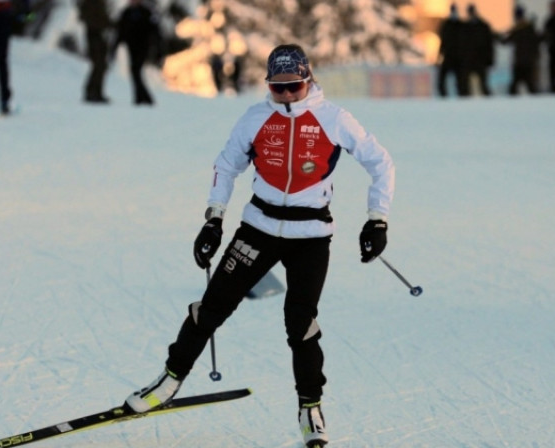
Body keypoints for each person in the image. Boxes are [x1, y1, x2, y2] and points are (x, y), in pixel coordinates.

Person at [122, 44, 395, 448]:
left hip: (311, 236)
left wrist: (377, 219)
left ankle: (310, 407)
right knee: (211, 307)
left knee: (300, 323)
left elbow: (381, 162)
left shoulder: (334, 119)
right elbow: (227, 164)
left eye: (294, 86)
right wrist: (213, 219)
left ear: (309, 80)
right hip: (258, 227)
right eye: (277, 87)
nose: (285, 95)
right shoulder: (255, 118)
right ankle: (168, 381)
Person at [112, 0, 161, 105]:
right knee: (134, 72)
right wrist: (115, 46)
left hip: (143, 46)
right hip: (131, 47)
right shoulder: (126, 13)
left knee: (136, 70)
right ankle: (141, 97)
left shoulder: (146, 12)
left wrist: (156, 47)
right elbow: (120, 31)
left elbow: (154, 30)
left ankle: (144, 98)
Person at [500, 5, 541, 95]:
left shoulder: (525, 29)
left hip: (525, 63)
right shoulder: (525, 29)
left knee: (528, 87)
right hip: (523, 62)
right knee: (521, 87)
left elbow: (505, 41)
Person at [78, 0, 112, 104]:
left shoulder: (99, 3)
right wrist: (105, 24)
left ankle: (96, 92)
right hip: (94, 35)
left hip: (100, 35)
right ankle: (92, 92)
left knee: (101, 65)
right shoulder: (91, 3)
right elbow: (89, 18)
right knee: (98, 64)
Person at [437, 3, 469, 97]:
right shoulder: (446, 25)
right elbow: (443, 41)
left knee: (461, 81)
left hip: (459, 58)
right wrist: (439, 55)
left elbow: (465, 42)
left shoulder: (461, 25)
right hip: (448, 56)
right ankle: (444, 96)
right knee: (442, 80)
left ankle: (462, 97)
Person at [464, 4, 494, 96]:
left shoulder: (483, 26)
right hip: (469, 60)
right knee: (466, 87)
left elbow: (489, 44)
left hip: (480, 60)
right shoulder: (465, 27)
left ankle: (488, 104)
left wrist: (490, 59)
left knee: (483, 85)